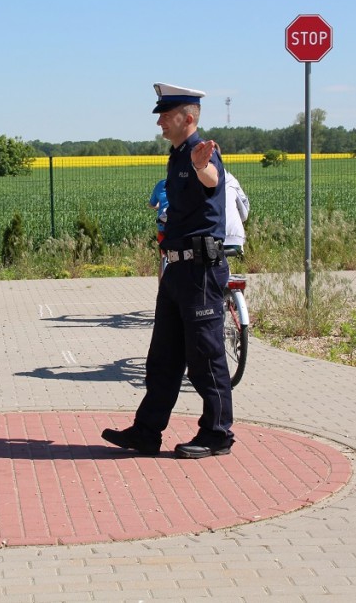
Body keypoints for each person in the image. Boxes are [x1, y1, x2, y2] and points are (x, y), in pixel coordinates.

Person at [102, 83, 234, 459]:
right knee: (163, 358)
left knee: (205, 357)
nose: (159, 121)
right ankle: (147, 432)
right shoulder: (176, 156)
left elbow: (211, 177)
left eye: (166, 115)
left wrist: (201, 166)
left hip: (200, 271)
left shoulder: (201, 152)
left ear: (187, 118)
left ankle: (217, 434)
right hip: (176, 269)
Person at [223, 170, 250, 254]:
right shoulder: (232, 182)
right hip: (235, 237)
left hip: (210, 237)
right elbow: (244, 214)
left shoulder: (195, 181)